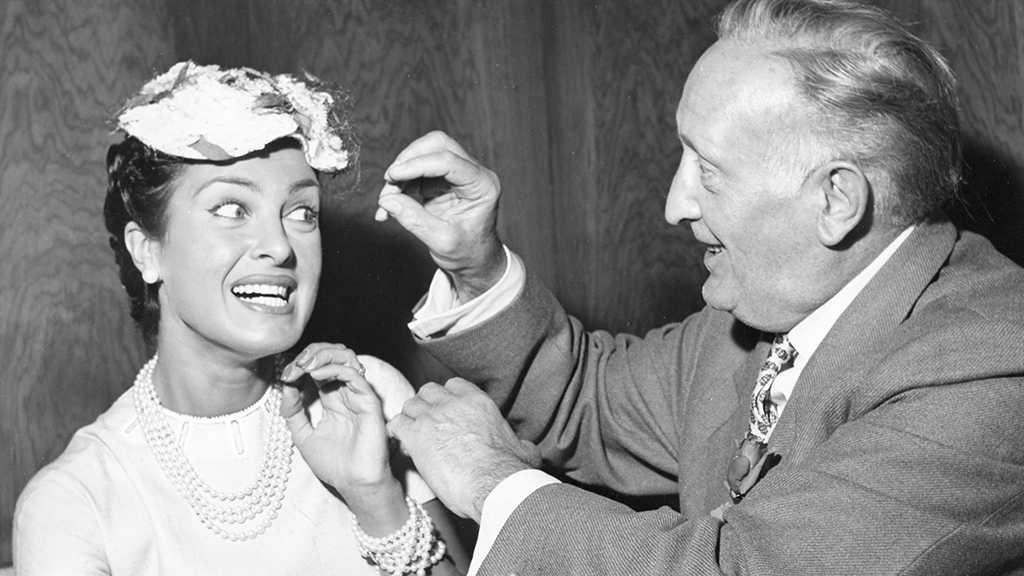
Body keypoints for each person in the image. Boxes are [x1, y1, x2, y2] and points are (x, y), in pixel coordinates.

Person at [299, 0, 1024, 574]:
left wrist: (492, 480)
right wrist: (476, 266)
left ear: (837, 200)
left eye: (707, 170)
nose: (675, 205)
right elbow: (585, 398)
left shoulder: (990, 369)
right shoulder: (772, 308)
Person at [13, 61, 467, 575]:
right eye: (231, 209)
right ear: (147, 251)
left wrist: (376, 499)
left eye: (302, 213)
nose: (280, 246)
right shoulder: (73, 504)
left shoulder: (369, 396)